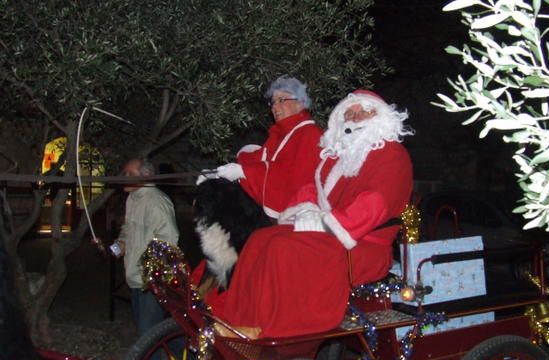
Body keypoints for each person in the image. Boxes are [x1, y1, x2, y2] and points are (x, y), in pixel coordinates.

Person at [208, 90, 414, 339]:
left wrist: (325, 223)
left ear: (380, 117)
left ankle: (271, 326)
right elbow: (311, 188)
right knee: (261, 239)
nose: (355, 117)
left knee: (282, 249)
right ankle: (237, 319)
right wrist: (305, 210)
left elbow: (375, 203)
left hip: (363, 245)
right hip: (332, 236)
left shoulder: (393, 155)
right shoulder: (337, 158)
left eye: (364, 112)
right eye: (349, 113)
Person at [201, 75, 323, 220]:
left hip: (302, 220)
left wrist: (243, 171)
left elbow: (291, 178)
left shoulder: (309, 134)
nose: (275, 107)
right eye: (272, 102)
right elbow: (260, 160)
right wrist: (218, 174)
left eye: (282, 100)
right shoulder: (281, 134)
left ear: (301, 103)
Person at [113, 158, 179, 337]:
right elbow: (128, 228)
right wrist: (120, 244)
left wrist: (151, 271)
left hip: (150, 281)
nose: (124, 178)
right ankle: (186, 357)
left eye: (129, 174)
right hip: (135, 277)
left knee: (148, 333)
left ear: (147, 176)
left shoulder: (157, 202)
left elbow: (168, 239)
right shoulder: (132, 198)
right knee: (152, 331)